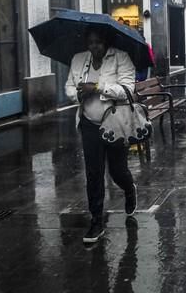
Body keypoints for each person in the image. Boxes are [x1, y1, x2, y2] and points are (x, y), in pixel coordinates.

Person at [65, 28, 137, 244]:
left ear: (106, 42)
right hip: (89, 123)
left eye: (98, 42)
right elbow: (69, 86)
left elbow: (128, 90)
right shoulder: (78, 59)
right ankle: (96, 221)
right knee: (93, 173)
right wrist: (77, 93)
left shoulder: (121, 58)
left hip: (114, 122)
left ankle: (129, 188)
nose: (94, 46)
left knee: (117, 171)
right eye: (90, 42)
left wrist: (97, 87)